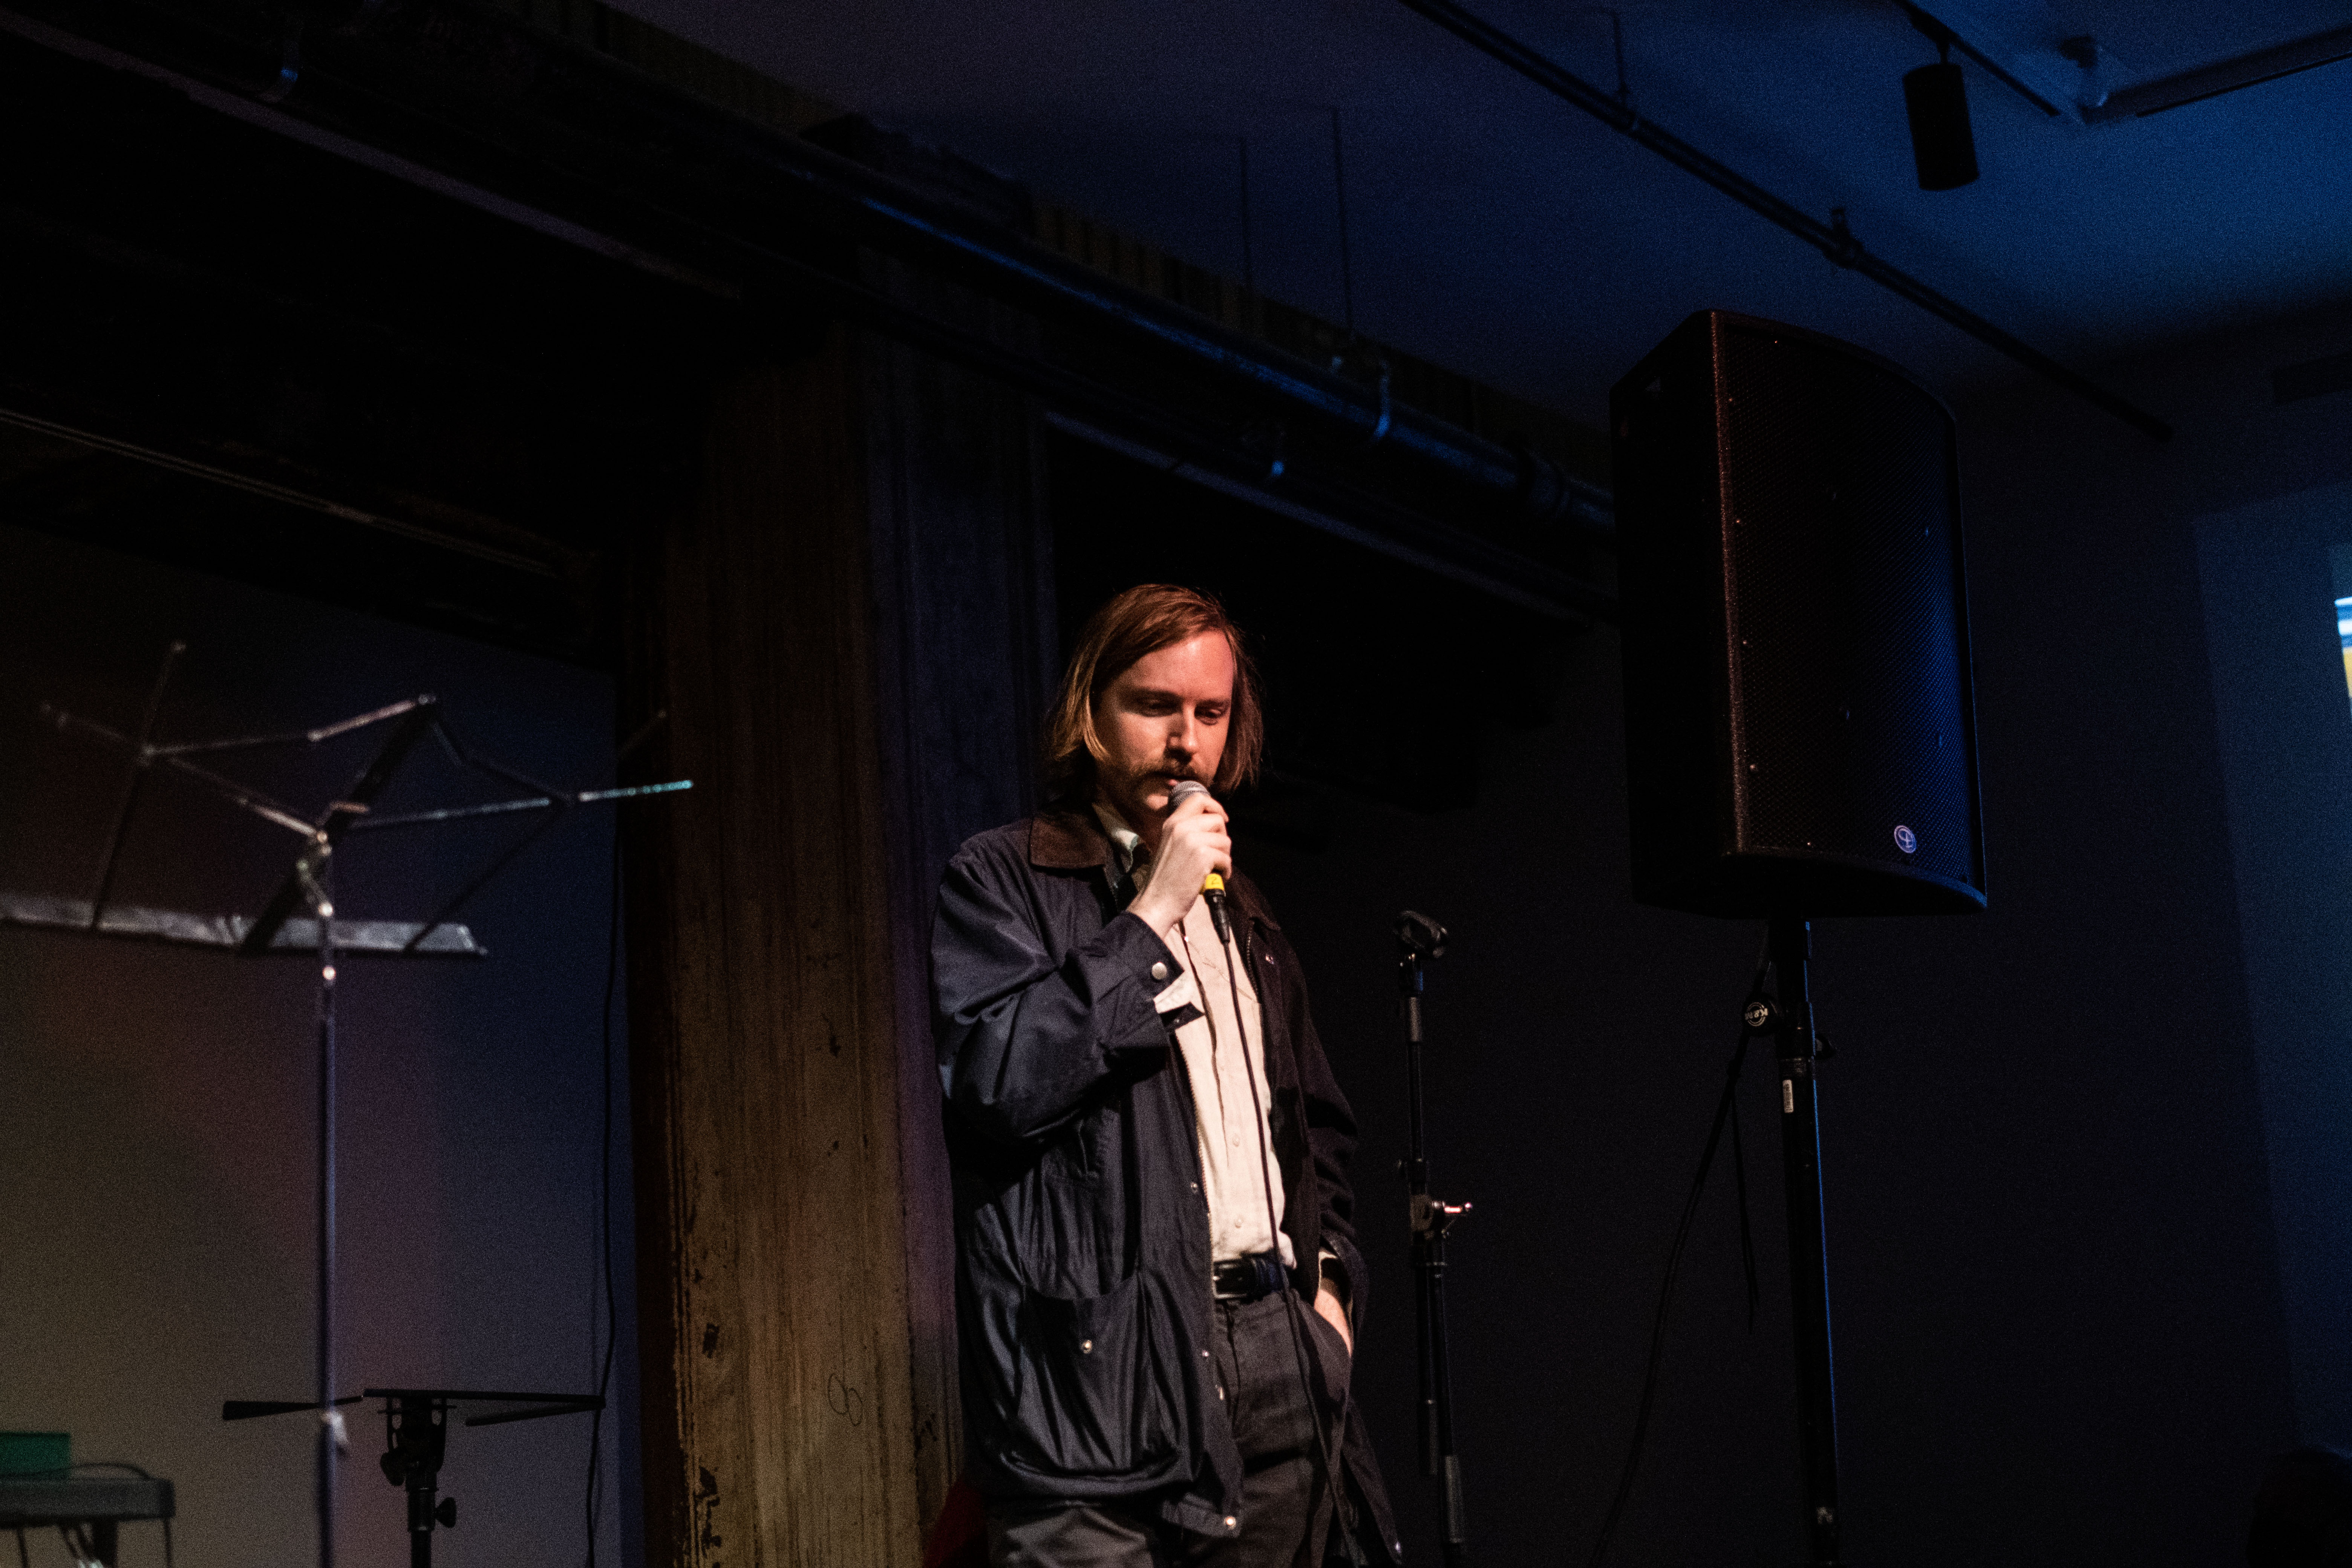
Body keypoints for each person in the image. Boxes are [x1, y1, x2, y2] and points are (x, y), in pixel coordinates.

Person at [932, 584, 1402, 1567]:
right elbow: (995, 1085)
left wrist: (1328, 1302)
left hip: (1279, 1356)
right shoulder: (1004, 879)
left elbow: (1316, 1129)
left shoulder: (1251, 916)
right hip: (1097, 1382)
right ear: (1091, 718)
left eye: (1211, 714)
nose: (1186, 741)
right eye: (1156, 707)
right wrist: (1150, 916)